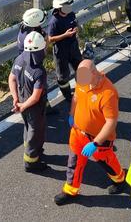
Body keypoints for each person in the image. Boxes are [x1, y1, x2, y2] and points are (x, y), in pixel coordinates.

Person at [54, 59, 126, 205]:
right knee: (74, 162)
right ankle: (71, 190)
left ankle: (119, 179)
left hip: (98, 140)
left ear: (94, 72)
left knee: (107, 161)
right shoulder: (83, 80)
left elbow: (111, 122)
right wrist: (71, 114)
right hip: (77, 133)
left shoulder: (108, 93)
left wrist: (95, 142)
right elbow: (75, 97)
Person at [9, 31, 49, 173]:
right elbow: (36, 97)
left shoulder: (19, 59)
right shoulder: (39, 71)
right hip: (33, 107)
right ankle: (31, 162)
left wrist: (16, 99)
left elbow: (12, 78)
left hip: (22, 101)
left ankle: (33, 150)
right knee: (35, 131)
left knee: (27, 128)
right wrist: (23, 106)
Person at [47, 0, 82, 102]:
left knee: (81, 69)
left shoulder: (71, 14)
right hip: (61, 51)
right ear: (59, 7)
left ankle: (82, 90)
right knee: (63, 76)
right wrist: (65, 35)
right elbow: (50, 39)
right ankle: (67, 96)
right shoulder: (54, 22)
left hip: (73, 47)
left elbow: (75, 23)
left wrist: (76, 30)